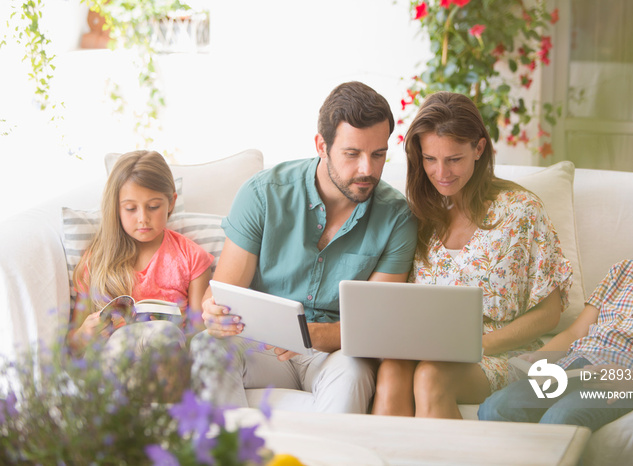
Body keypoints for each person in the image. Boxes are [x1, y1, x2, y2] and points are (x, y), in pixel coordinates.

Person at [190, 81, 418, 413]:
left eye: (378, 154)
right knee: (208, 348)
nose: (368, 169)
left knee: (353, 374)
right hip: (260, 345)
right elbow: (224, 293)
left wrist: (316, 335)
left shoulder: (397, 217)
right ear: (321, 146)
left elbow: (374, 323)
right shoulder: (263, 195)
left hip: (334, 354)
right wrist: (214, 313)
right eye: (352, 154)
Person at [371, 91, 573, 419]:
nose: (441, 173)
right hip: (431, 348)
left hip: (501, 352)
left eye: (454, 159)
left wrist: (477, 345)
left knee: (430, 376)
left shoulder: (521, 211)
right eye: (430, 159)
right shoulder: (421, 214)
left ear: (478, 149)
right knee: (392, 370)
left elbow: (550, 314)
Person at [478, 185, 633, 432]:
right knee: (495, 407)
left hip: (623, 381)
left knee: (561, 419)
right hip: (574, 368)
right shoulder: (623, 272)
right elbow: (574, 334)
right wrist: (541, 358)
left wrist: (627, 381)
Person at [67, 151, 213, 396]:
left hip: (170, 361)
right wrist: (84, 335)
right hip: (116, 359)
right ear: (117, 207)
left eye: (153, 207)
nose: (143, 218)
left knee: (165, 335)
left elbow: (200, 331)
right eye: (131, 208)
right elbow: (73, 343)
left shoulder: (191, 257)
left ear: (171, 203)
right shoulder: (98, 260)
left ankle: (155, 414)